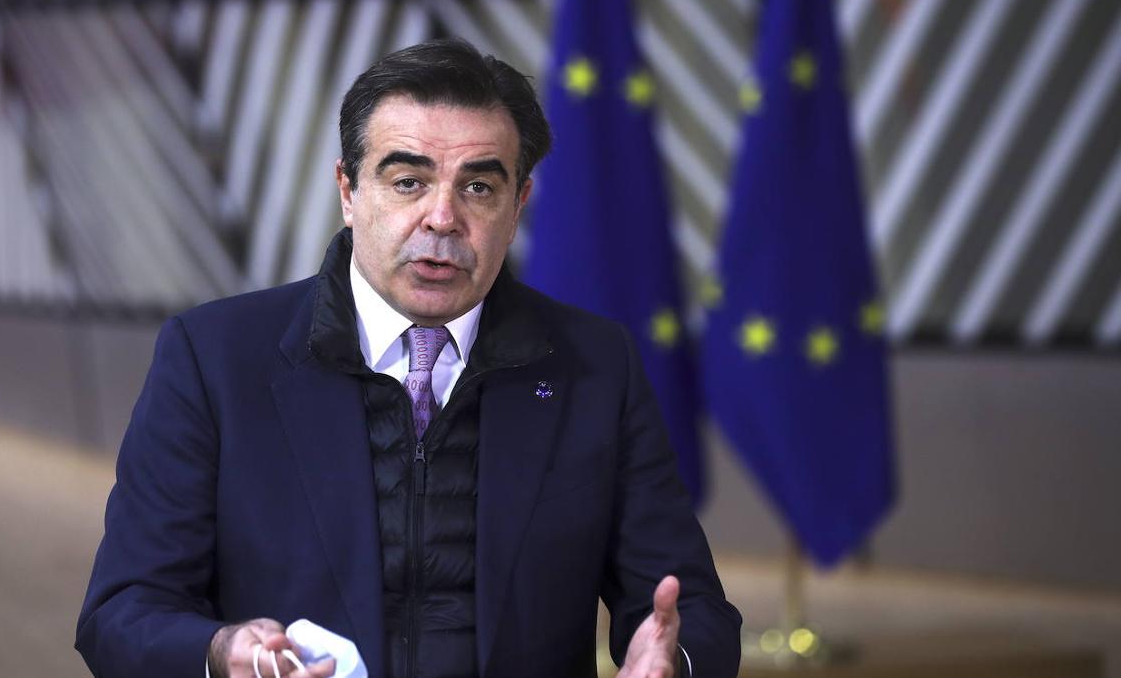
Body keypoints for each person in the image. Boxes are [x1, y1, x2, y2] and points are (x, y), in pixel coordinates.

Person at [76, 38, 741, 678]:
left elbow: (693, 610)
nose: (441, 218)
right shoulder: (215, 358)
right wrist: (221, 653)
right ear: (348, 191)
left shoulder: (593, 366)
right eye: (407, 181)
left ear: (518, 205)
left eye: (478, 188)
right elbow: (122, 614)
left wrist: (673, 663)